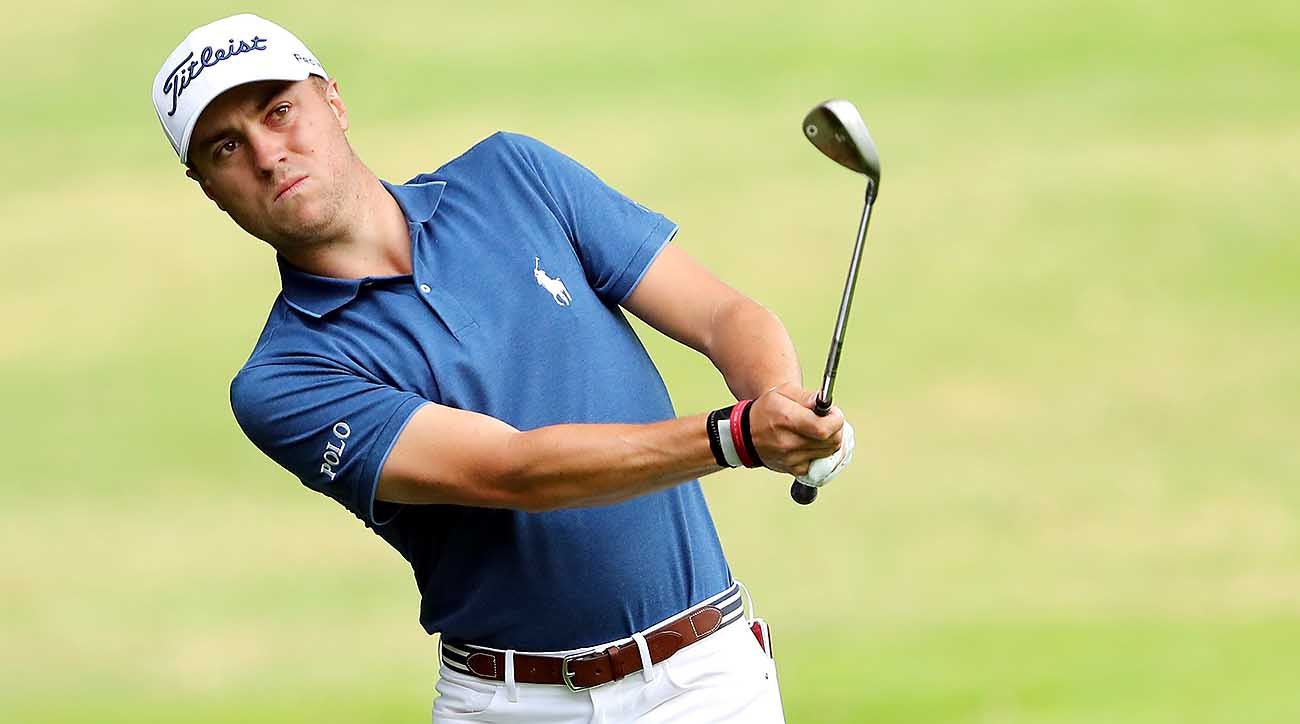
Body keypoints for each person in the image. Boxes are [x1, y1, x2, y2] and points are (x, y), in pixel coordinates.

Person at [152, 13, 856, 723]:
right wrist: (740, 437)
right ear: (206, 186)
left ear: (333, 101)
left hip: (705, 680)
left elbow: (721, 315)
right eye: (226, 147)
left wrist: (785, 407)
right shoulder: (284, 380)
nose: (268, 154)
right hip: (510, 704)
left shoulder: (513, 176)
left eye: (279, 111)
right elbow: (515, 473)